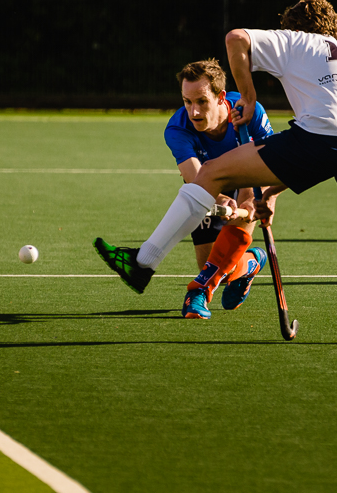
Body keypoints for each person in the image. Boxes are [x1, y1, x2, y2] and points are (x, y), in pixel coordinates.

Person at [95, 0, 337, 344]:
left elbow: (236, 39)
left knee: (212, 172)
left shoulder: (298, 40)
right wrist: (272, 191)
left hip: (324, 134)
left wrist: (249, 94)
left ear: (293, 27)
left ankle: (143, 262)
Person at [101, 58, 273, 319]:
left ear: (220, 97)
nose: (194, 112)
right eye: (187, 102)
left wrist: (254, 199)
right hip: (206, 185)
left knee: (220, 258)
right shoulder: (177, 128)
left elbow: (270, 161)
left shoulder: (249, 112)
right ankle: (250, 262)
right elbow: (196, 177)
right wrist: (221, 200)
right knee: (215, 264)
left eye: (201, 101)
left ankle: (198, 291)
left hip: (248, 176)